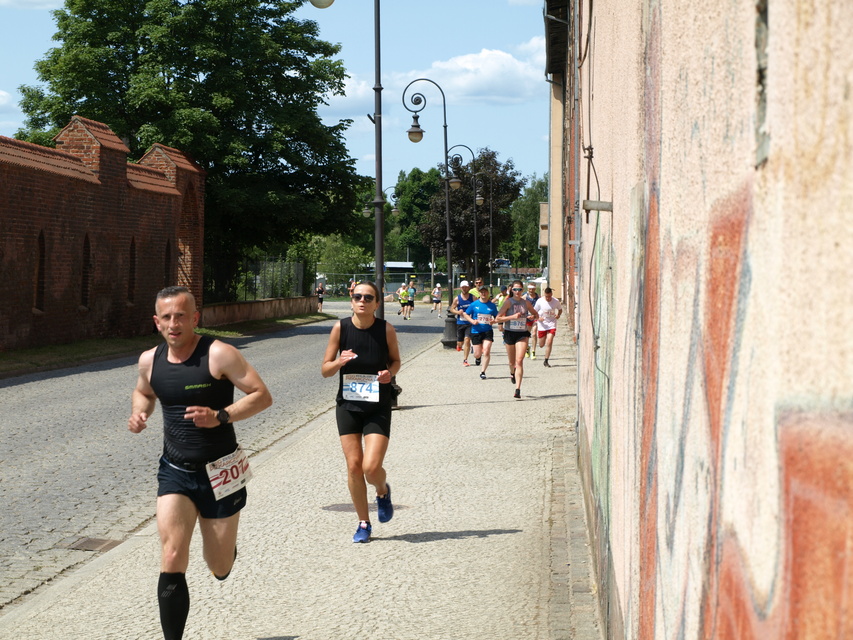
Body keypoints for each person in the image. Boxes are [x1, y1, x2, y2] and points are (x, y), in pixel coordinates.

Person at [128, 286, 273, 640]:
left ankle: (226, 551)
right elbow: (144, 392)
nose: (174, 323)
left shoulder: (220, 354)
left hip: (221, 472)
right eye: (167, 317)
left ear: (195, 318)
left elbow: (262, 396)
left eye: (181, 316)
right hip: (175, 471)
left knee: (218, 566)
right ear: (156, 322)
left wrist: (221, 416)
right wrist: (139, 412)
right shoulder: (150, 360)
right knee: (173, 552)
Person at [322, 282, 401, 543]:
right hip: (348, 405)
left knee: (371, 466)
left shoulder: (385, 329)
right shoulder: (340, 328)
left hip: (378, 404)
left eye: (369, 297)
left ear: (377, 303)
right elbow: (325, 369)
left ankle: (381, 490)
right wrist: (339, 362)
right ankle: (364, 523)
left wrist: (390, 373)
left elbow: (396, 361)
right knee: (355, 467)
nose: (362, 301)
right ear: (351, 301)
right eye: (358, 297)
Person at [496, 280, 538, 398]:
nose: (517, 292)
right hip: (509, 333)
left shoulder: (526, 303)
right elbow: (498, 318)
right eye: (515, 289)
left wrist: (531, 317)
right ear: (511, 290)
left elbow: (536, 315)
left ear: (522, 290)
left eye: (519, 289)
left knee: (519, 361)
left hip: (522, 333)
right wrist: (512, 317)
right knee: (512, 362)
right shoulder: (508, 302)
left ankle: (518, 389)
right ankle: (512, 373)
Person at [462, 286, 498, 379]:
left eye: (485, 292)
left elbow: (497, 317)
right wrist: (472, 321)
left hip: (487, 331)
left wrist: (493, 321)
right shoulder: (474, 304)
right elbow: (465, 314)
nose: (483, 293)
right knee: (477, 353)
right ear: (479, 293)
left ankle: (483, 371)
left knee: (486, 351)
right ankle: (478, 358)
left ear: (488, 293)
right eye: (481, 292)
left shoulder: (492, 305)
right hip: (476, 331)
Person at [449, 280, 477, 365]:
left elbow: (477, 307)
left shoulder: (473, 297)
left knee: (467, 340)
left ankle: (465, 360)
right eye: (463, 287)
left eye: (466, 287)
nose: (464, 289)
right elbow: (452, 309)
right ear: (461, 288)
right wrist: (458, 312)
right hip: (460, 322)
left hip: (470, 322)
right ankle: (459, 345)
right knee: (460, 342)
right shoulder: (457, 298)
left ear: (468, 287)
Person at [534, 287, 563, 367]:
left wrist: (558, 315)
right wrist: (538, 318)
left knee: (549, 341)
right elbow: (534, 311)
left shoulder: (555, 301)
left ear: (552, 294)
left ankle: (546, 360)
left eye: (549, 296)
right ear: (544, 295)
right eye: (546, 296)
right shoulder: (540, 301)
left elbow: (560, 310)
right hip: (542, 324)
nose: (548, 298)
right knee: (541, 345)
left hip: (552, 323)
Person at [524, 283, 540, 359]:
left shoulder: (538, 298)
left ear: (535, 289)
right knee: (526, 335)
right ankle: (527, 349)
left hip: (535, 318)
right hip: (526, 318)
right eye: (530, 289)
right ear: (528, 289)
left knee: (534, 333)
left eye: (533, 289)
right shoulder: (524, 297)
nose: (531, 290)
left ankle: (533, 351)